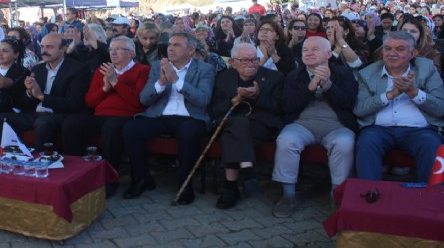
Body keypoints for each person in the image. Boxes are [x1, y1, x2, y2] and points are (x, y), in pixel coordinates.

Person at [122, 32, 215, 205]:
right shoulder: (158, 66)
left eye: (177, 45)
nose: (171, 48)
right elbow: (144, 99)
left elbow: (203, 99)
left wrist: (177, 82)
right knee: (131, 129)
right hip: (160, 115)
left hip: (191, 117)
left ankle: (185, 185)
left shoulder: (204, 69)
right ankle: (143, 179)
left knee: (188, 133)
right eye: (170, 44)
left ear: (191, 50)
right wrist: (161, 83)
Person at [272, 37, 358, 218]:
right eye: (305, 50)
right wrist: (310, 87)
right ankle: (288, 195)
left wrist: (327, 85)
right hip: (301, 125)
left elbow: (349, 103)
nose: (309, 53)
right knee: (286, 140)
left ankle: (337, 195)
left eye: (315, 49)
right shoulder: (294, 76)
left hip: (337, 126)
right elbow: (288, 106)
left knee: (344, 143)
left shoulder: (343, 74)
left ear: (328, 54)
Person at [61, 36, 150, 197]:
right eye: (111, 49)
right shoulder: (102, 70)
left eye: (118, 49)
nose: (113, 53)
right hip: (100, 115)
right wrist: (105, 88)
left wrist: (116, 83)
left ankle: (110, 179)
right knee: (71, 123)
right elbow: (89, 102)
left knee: (111, 128)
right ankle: (77, 174)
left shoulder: (142, 70)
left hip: (126, 116)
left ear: (130, 53)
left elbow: (138, 102)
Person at [354, 31, 444, 182]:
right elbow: (359, 109)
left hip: (419, 130)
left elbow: (440, 108)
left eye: (400, 49)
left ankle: (431, 199)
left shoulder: (426, 69)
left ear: (413, 53)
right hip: (378, 129)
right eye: (387, 48)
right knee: (366, 144)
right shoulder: (368, 73)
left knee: (432, 145)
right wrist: (389, 95)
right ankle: (368, 196)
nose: (392, 54)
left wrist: (414, 92)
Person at [211, 43, 284, 209]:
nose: (251, 64)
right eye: (244, 60)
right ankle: (247, 171)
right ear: (232, 61)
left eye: (254, 60)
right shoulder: (223, 78)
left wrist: (256, 96)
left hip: (260, 126)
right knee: (238, 124)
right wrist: (234, 101)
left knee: (235, 131)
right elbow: (214, 109)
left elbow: (279, 107)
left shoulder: (274, 77)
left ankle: (230, 187)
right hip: (229, 123)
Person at [0, 32, 90, 150]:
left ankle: (43, 160)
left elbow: (73, 103)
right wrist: (29, 92)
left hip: (60, 114)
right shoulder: (38, 68)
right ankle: (15, 154)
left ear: (63, 49)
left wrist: (42, 96)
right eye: (42, 47)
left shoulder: (77, 69)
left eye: (50, 47)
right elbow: (25, 103)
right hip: (34, 113)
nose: (44, 50)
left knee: (43, 123)